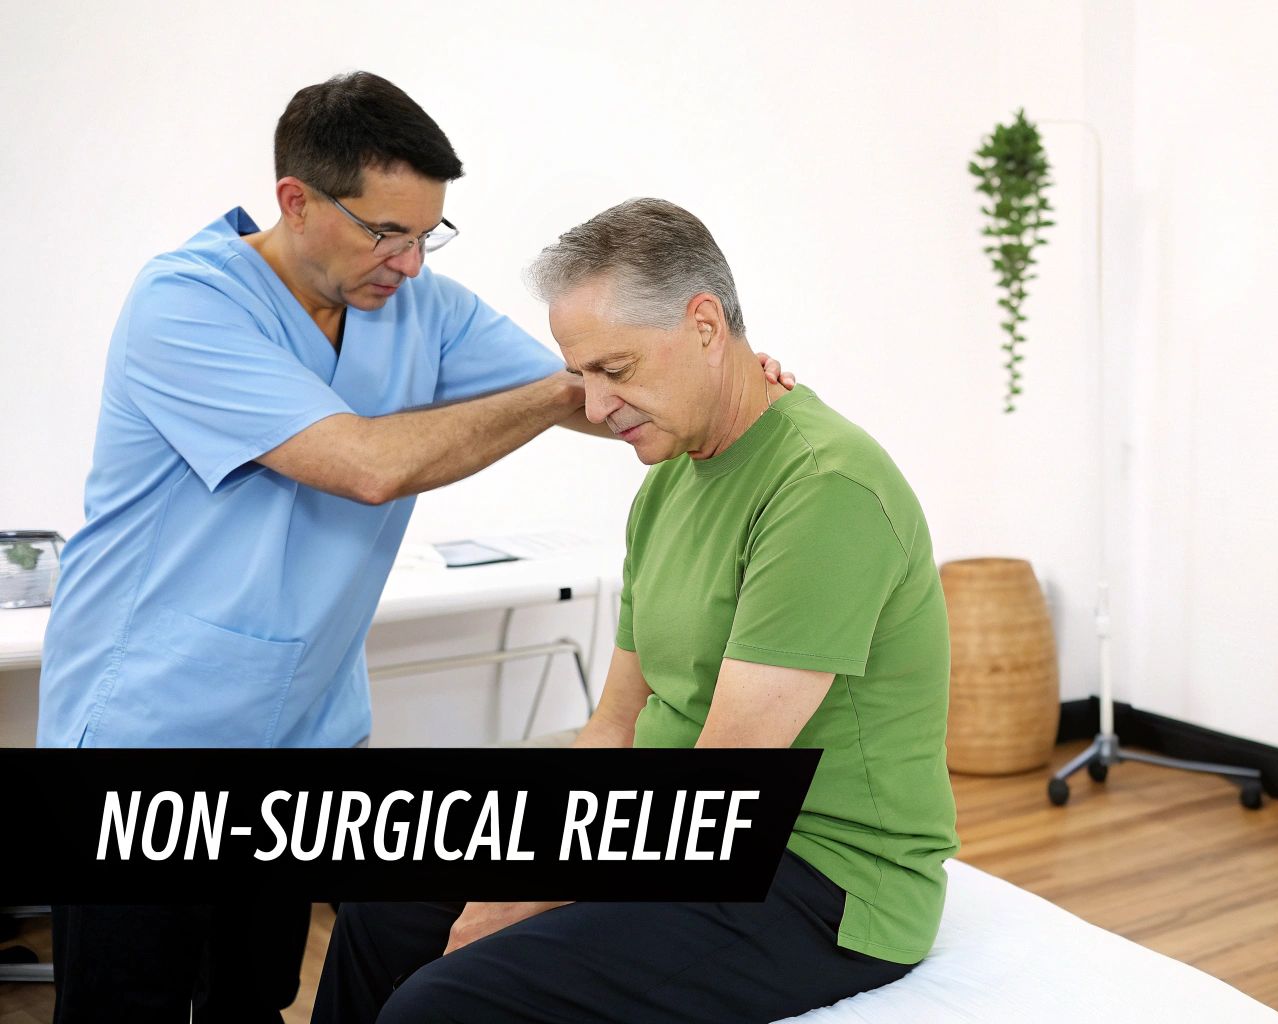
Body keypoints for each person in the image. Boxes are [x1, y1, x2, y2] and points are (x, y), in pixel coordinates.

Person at [36, 73, 791, 1023]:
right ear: (296, 201)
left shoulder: (417, 307)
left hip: (303, 728)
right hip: (151, 730)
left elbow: (599, 399)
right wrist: (579, 386)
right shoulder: (185, 304)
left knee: (255, 997)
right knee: (124, 1007)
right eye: (385, 231)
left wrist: (706, 381)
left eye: (428, 234)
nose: (409, 260)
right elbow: (364, 464)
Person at [313, 199, 958, 1024]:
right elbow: (617, 723)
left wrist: (527, 898)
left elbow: (725, 793)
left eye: (614, 370)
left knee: (443, 1006)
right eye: (581, 375)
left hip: (817, 876)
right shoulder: (669, 482)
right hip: (668, 834)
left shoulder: (824, 488)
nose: (593, 405)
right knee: (386, 904)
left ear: (703, 326)